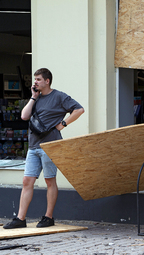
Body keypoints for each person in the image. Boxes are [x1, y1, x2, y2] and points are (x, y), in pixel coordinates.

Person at [3, 68, 84, 229]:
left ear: (47, 81)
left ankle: (48, 217)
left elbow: (79, 109)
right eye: (35, 79)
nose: (35, 82)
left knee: (49, 180)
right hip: (33, 146)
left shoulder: (59, 96)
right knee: (27, 181)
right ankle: (20, 218)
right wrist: (33, 97)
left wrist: (63, 124)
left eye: (38, 79)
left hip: (50, 145)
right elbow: (24, 116)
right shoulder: (36, 98)